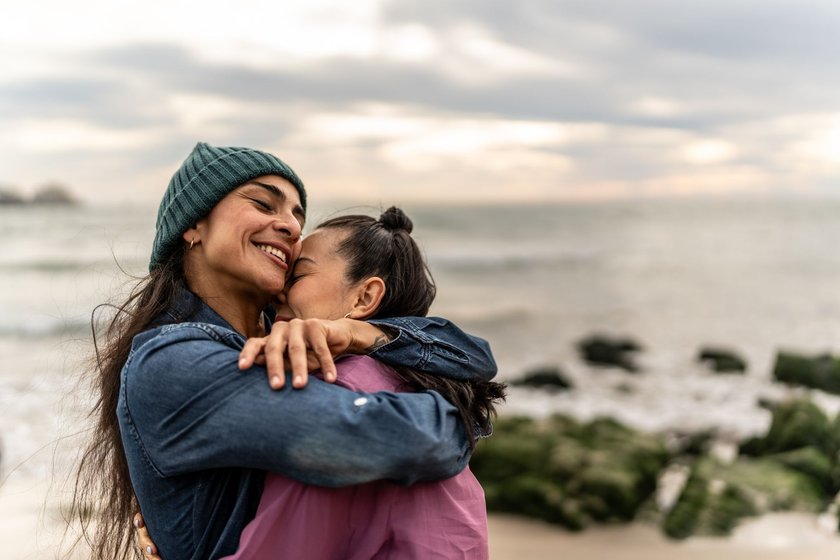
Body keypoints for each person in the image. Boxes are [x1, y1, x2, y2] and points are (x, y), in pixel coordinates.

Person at [69, 142, 497, 560]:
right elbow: (403, 441)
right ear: (194, 225)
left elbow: (474, 357)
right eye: (264, 203)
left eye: (297, 214)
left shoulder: (287, 334)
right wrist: (460, 415)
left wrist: (362, 334)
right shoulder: (173, 362)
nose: (292, 226)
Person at [138, 207, 506, 558]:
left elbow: (286, 548)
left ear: (365, 296)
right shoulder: (412, 379)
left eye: (296, 277)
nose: (278, 290)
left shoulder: (341, 389)